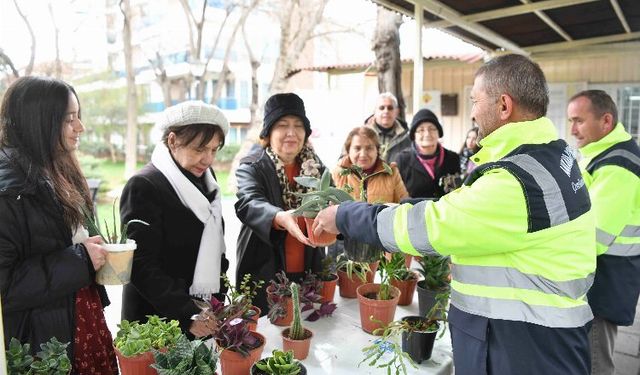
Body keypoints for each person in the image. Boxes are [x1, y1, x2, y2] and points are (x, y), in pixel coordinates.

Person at [313, 54, 596, 375]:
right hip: (542, 337)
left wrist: (346, 217)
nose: (473, 112)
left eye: (475, 101)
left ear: (504, 106)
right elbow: (460, 207)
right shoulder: (554, 156)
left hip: (523, 347)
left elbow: (432, 226)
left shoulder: (517, 181)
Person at [0, 76, 118, 374]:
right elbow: (6, 285)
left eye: (79, 117)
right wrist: (81, 259)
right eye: (70, 119)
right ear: (39, 122)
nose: (81, 128)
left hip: (77, 314)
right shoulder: (9, 190)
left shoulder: (56, 167)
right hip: (46, 340)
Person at [120, 100, 229, 338]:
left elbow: (215, 247)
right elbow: (140, 264)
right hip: (157, 319)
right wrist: (188, 313)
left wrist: (219, 299)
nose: (208, 159)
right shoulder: (144, 186)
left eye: (213, 149)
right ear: (172, 141)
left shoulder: (207, 182)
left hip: (202, 314)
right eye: (199, 149)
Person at [567, 90, 640, 375]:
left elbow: (594, 236)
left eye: (579, 121)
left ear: (606, 121)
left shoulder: (618, 166)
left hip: (604, 281)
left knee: (595, 361)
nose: (572, 129)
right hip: (602, 276)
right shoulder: (603, 154)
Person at [235, 92, 326, 314]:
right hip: (264, 270)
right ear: (268, 132)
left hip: (309, 266)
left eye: (298, 125)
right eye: (282, 125)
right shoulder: (252, 166)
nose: (291, 133)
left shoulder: (316, 168)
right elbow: (249, 202)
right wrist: (279, 217)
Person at [395, 108, 460, 198]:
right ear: (414, 135)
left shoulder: (453, 158)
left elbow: (457, 191)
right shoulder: (402, 160)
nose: (427, 134)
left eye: (432, 129)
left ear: (439, 132)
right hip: (414, 211)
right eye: (421, 130)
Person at [332, 126, 408, 203]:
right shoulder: (338, 173)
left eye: (369, 148)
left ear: (377, 151)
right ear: (348, 151)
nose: (363, 154)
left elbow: (404, 204)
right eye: (357, 148)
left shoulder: (391, 172)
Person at [364, 92, 411, 163]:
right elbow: (344, 163)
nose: (386, 111)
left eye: (390, 108)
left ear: (397, 111)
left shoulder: (407, 139)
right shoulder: (361, 135)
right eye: (381, 108)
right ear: (374, 111)